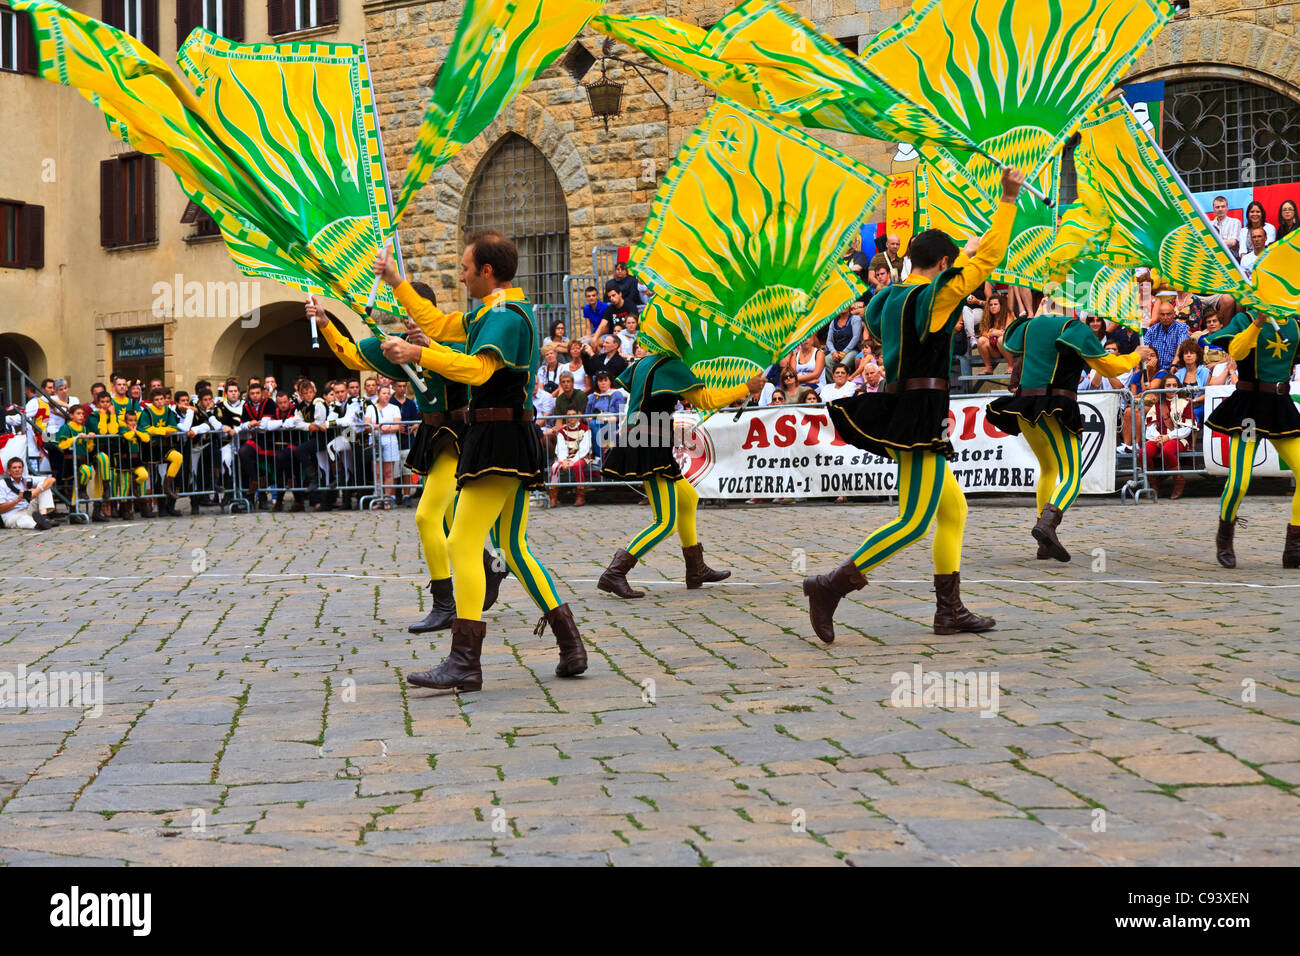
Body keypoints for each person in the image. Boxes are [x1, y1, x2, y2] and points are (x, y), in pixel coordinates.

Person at [806, 166, 1026, 642]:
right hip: (920, 407)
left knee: (953, 510)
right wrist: (1007, 198)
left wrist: (953, 255)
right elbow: (988, 258)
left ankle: (949, 611)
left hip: (901, 401)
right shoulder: (935, 296)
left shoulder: (886, 299)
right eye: (952, 265)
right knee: (913, 521)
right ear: (945, 263)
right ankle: (830, 586)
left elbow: (893, 327)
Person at [376, 230, 587, 690]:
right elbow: (434, 323)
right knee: (513, 547)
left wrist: (417, 354)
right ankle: (571, 645)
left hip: (499, 439)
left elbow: (477, 370)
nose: (462, 274)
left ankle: (465, 661)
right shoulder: (493, 312)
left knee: (463, 543)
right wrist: (395, 280)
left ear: (487, 272)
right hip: (505, 436)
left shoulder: (507, 317)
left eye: (467, 268)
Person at [308, 291, 507, 635]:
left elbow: (473, 370)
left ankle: (445, 605)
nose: (409, 319)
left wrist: (427, 348)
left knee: (426, 515)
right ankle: (488, 564)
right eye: (404, 313)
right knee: (447, 520)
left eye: (415, 312)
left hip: (460, 437)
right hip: (433, 436)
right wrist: (325, 322)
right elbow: (354, 356)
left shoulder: (454, 341)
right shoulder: (400, 344)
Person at [597, 355, 764, 599]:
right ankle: (615, 572)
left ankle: (696, 570)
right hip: (649, 443)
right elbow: (706, 400)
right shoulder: (670, 364)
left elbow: (648, 397)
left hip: (649, 438)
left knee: (688, 498)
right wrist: (746, 388)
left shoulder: (646, 361)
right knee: (665, 523)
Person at [987, 307, 1140, 559]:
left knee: (1048, 469)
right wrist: (1136, 356)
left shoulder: (1029, 326)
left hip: (1024, 406)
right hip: (1054, 406)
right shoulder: (1073, 328)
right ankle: (1047, 525)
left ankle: (1043, 542)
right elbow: (1108, 366)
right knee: (1072, 476)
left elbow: (1009, 342)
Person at [1203, 309, 1300, 569]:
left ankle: (1295, 546)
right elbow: (1237, 350)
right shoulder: (1244, 319)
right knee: (1239, 482)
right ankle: (1225, 535)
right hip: (1250, 409)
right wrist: (1257, 322)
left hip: (1280, 406)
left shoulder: (1294, 324)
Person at [138, 387, 185, 516]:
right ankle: (161, 507)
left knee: (178, 457)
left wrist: (166, 431)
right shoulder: (147, 412)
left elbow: (173, 427)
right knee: (155, 478)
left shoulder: (168, 411)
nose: (159, 402)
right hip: (151, 448)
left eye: (161, 399)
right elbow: (145, 428)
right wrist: (162, 431)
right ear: (152, 401)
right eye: (156, 400)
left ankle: (168, 484)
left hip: (164, 446)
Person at [1142, 391, 1193, 499]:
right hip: (1159, 437)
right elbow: (1151, 426)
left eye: (1174, 385)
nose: (1171, 388)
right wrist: (1158, 437)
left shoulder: (1185, 403)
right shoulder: (1158, 405)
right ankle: (1153, 485)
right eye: (1168, 386)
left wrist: (1168, 437)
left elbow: (1187, 428)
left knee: (1167, 450)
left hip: (1179, 438)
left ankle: (1179, 482)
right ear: (1163, 388)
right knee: (1143, 452)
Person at [0, 457, 56, 530]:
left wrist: (36, 491)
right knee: (22, 520)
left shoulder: (27, 479)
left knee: (44, 487)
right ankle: (38, 525)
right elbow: (1, 509)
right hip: (12, 514)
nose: (17, 470)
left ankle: (44, 517)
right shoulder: (2, 484)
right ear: (9, 471)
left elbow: (51, 479)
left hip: (28, 509)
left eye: (19, 467)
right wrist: (18, 500)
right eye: (14, 468)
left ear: (22, 470)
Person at [549, 413, 591, 507]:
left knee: (577, 465)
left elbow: (585, 447)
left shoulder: (585, 429)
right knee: (555, 466)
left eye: (573, 415)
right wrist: (564, 460)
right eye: (569, 415)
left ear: (577, 417)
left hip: (582, 456)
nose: (571, 418)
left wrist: (573, 460)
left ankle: (580, 496)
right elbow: (561, 447)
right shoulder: (562, 431)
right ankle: (553, 497)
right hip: (566, 458)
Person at [1172, 339, 1210, 426]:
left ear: (1197, 356)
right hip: (1181, 406)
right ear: (1182, 356)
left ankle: (1191, 439)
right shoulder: (1178, 374)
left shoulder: (1205, 372)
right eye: (1186, 353)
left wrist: (1194, 400)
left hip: (1199, 406)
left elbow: (1208, 392)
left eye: (1192, 353)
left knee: (1192, 415)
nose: (1189, 355)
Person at [975, 293, 1010, 375]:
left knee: (1001, 339)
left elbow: (1009, 333)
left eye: (995, 304)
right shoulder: (987, 317)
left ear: (1001, 305)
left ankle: (1011, 366)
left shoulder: (1008, 315)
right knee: (981, 340)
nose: (993, 306)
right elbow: (984, 333)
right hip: (995, 350)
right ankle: (988, 368)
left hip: (1008, 348)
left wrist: (998, 333)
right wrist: (992, 333)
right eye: (990, 305)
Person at [825, 309, 863, 375]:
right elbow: (829, 340)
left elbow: (856, 338)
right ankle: (833, 384)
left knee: (843, 365)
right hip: (837, 351)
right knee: (827, 360)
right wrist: (833, 352)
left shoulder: (855, 319)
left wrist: (844, 352)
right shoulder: (834, 322)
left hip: (852, 350)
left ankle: (844, 383)